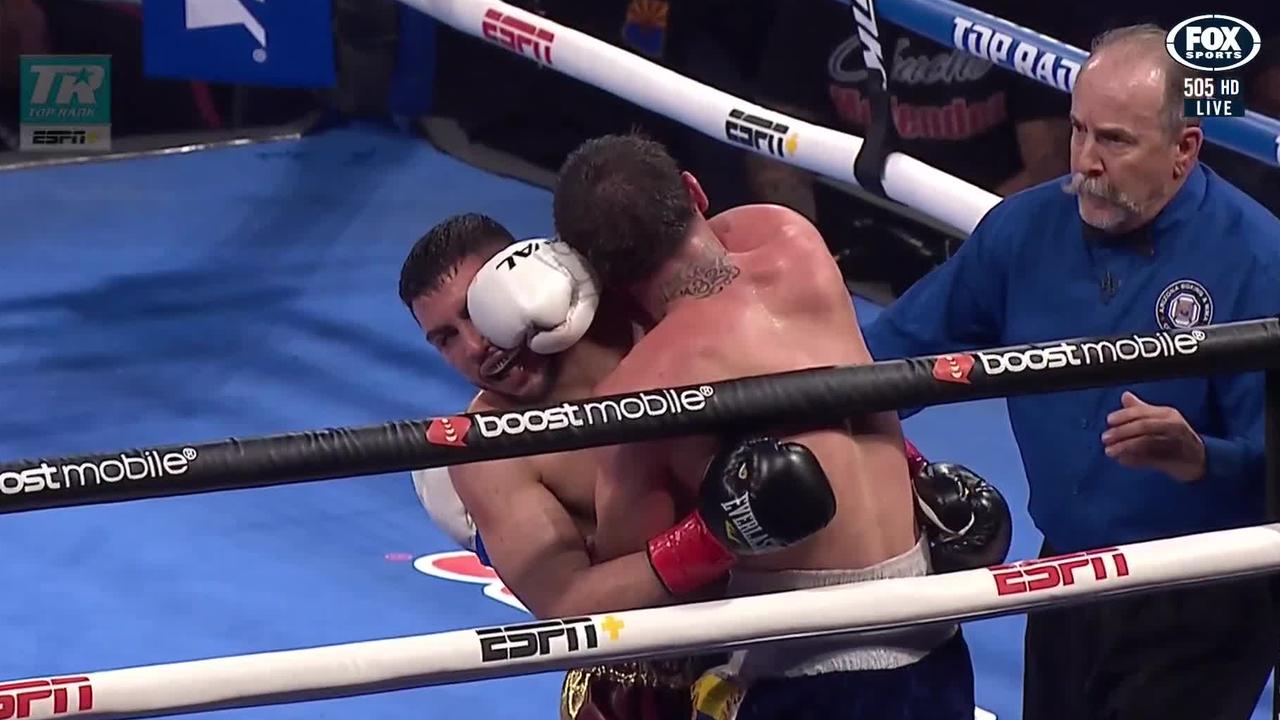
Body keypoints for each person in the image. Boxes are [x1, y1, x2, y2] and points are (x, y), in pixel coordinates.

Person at [404, 214, 1011, 719]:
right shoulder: (490, 450)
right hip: (647, 676)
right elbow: (566, 601)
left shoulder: (657, 319)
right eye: (444, 338)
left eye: (476, 311)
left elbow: (806, 395)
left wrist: (913, 476)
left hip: (786, 640)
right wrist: (718, 535)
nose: (475, 347)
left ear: (532, 276)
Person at [859, 24, 1280, 720]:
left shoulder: (1259, 263)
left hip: (1203, 594)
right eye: (1078, 130)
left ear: (1184, 150)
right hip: (1065, 577)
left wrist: (1203, 459)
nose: (1084, 160)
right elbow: (891, 360)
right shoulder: (1025, 230)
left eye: (1114, 140)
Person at [547, 132, 1005, 719]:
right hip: (934, 640)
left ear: (595, 274)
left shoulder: (642, 392)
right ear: (694, 191)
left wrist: (709, 538)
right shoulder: (789, 236)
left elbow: (629, 607)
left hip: (806, 674)